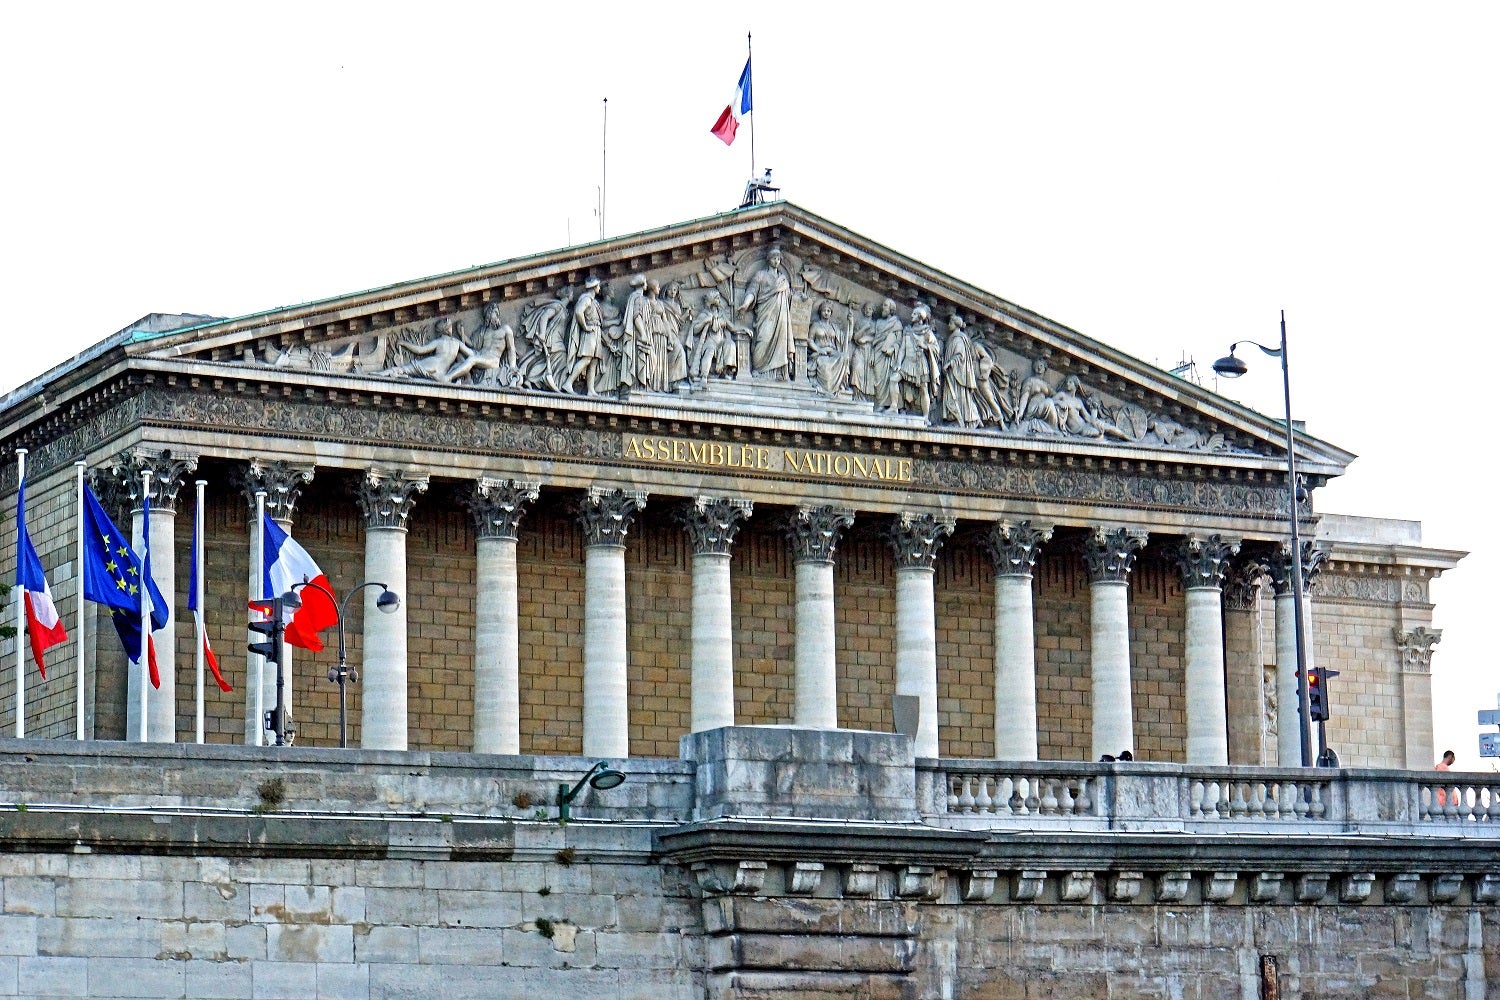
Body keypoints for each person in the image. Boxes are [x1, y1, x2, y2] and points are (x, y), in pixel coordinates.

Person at [737, 245, 794, 379]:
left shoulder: (783, 279)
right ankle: (759, 368)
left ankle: (778, 372)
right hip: (765, 315)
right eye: (774, 258)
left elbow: (790, 297)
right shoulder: (761, 275)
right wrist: (745, 304)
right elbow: (752, 291)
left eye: (778, 259)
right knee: (763, 339)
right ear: (768, 259)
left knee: (781, 342)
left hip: (781, 318)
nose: (776, 261)